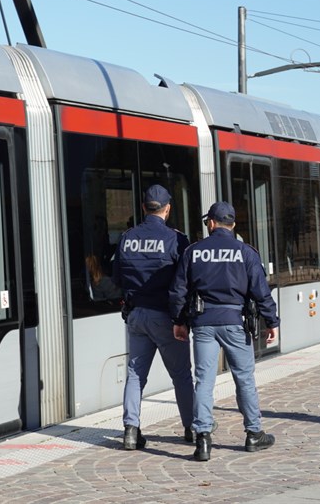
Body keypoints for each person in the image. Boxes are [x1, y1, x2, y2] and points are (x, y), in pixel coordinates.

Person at [170, 201, 280, 462]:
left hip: (203, 323)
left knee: (204, 381)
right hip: (235, 322)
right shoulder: (246, 252)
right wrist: (271, 321)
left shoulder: (194, 252)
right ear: (233, 225)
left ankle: (203, 439)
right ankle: (254, 434)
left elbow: (178, 292)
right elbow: (260, 291)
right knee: (244, 378)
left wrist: (179, 321)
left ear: (211, 223)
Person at [112, 184, 194, 450]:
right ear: (167, 209)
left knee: (135, 375)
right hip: (165, 317)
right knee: (181, 374)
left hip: (136, 315)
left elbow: (116, 278)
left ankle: (131, 431)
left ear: (143, 206)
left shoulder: (127, 237)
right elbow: (185, 281)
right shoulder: (177, 240)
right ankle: (192, 428)